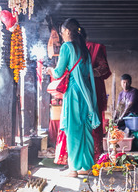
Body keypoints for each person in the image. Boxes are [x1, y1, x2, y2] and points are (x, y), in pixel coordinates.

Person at [46, 18, 100, 177]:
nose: (61, 35)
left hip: (74, 93)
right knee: (85, 129)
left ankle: (74, 168)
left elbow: (58, 72)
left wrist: (50, 69)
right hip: (87, 94)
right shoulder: (83, 49)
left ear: (68, 32)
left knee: (73, 130)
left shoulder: (67, 47)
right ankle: (87, 166)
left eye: (62, 32)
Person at [83, 30, 112, 161]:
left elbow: (104, 68)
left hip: (93, 89)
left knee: (94, 123)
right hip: (78, 90)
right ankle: (78, 158)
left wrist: (87, 73)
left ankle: (95, 156)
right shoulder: (70, 48)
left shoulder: (95, 47)